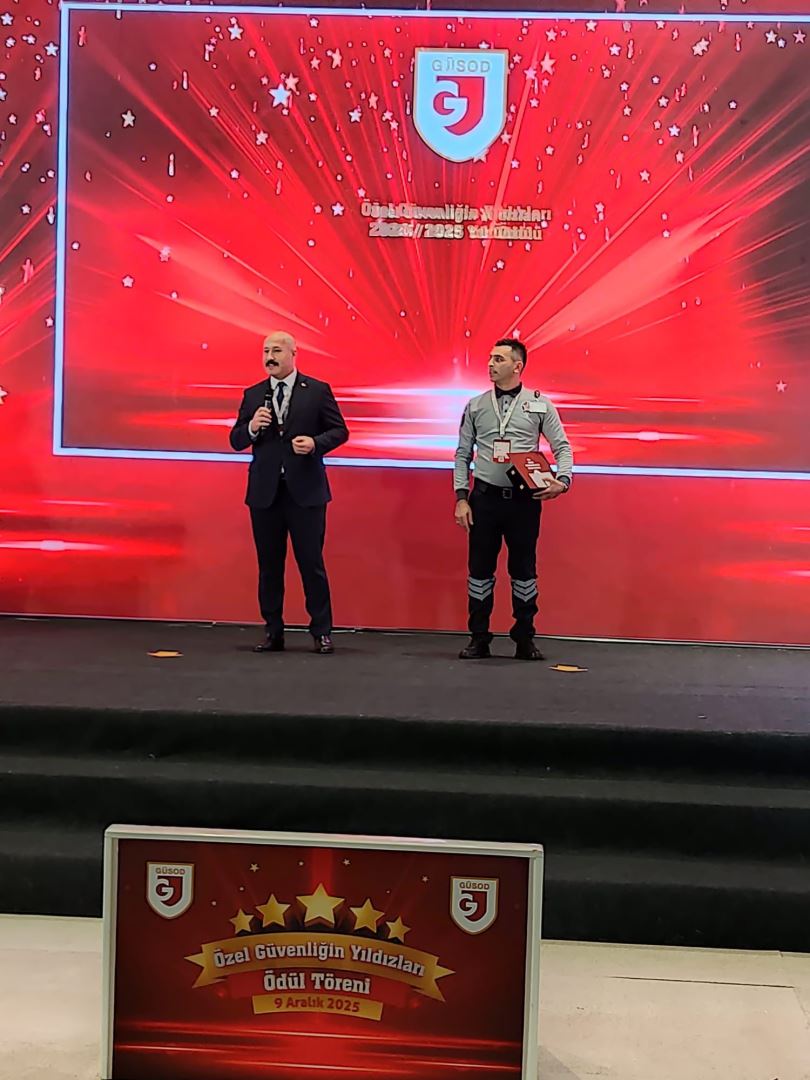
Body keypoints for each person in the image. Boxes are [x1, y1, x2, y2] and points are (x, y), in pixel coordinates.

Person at [453, 338, 573, 661]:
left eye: (499, 359)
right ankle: (479, 638)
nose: (491, 364)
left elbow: (562, 447)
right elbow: (462, 454)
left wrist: (563, 481)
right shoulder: (475, 405)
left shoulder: (540, 404)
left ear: (517, 366)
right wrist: (461, 497)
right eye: (490, 358)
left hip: (523, 502)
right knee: (480, 570)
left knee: (523, 570)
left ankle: (524, 638)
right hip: (484, 500)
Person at [230, 331, 348, 654]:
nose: (270, 357)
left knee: (311, 563)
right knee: (269, 566)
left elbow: (340, 431)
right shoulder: (254, 395)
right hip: (265, 494)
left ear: (293, 354)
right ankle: (273, 631)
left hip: (306, 493)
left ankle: (321, 632)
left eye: (277, 351)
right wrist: (252, 427)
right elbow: (236, 439)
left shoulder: (317, 391)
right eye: (266, 351)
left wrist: (315, 444)